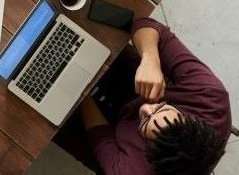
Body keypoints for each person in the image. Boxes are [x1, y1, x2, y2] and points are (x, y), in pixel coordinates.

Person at [74, 18, 230, 174]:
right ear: (188, 116)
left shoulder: (132, 170)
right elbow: (145, 24)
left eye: (145, 122)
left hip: (114, 137)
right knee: (102, 39)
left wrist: (80, 89)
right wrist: (150, 60)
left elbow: (101, 137)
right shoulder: (209, 95)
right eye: (161, 108)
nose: (145, 108)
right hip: (141, 85)